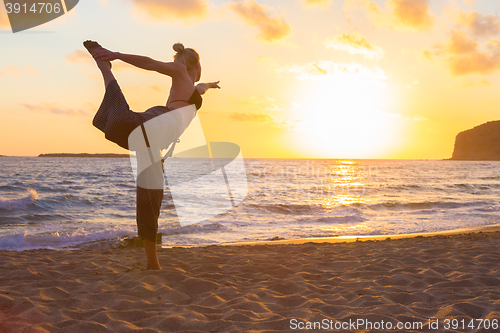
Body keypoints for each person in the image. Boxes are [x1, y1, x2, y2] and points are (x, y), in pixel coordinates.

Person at [84, 40, 220, 270]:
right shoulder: (179, 71)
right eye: (201, 68)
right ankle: (105, 68)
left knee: (150, 199)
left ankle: (152, 264)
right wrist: (115, 54)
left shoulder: (191, 89)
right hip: (158, 122)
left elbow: (202, 87)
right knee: (121, 120)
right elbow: (150, 63)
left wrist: (211, 84)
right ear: (196, 64)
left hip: (154, 143)